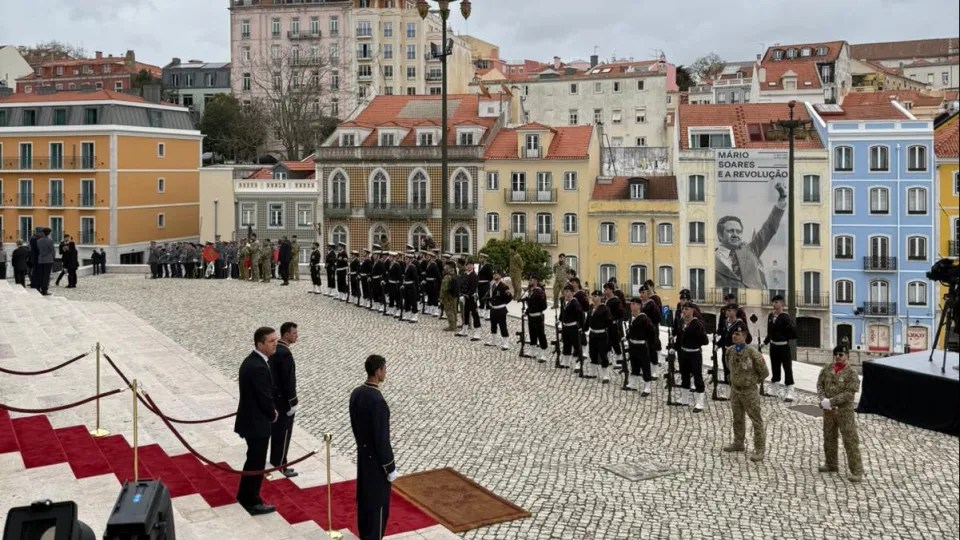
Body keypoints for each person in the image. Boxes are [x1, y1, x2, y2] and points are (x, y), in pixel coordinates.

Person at [349, 355, 398, 540]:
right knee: (378, 506)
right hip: (377, 464)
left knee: (364, 502)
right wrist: (390, 466)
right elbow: (381, 439)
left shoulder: (357, 393)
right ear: (378, 371)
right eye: (384, 369)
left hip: (363, 457)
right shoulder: (378, 401)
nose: (385, 372)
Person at [233, 327, 279, 515]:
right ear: (260, 344)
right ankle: (251, 500)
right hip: (256, 423)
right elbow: (263, 396)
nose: (275, 344)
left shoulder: (254, 362)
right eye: (271, 341)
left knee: (253, 460)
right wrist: (273, 414)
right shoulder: (258, 367)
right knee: (256, 463)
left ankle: (245, 494)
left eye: (275, 340)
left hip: (252, 420)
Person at [715, 181, 787, 289]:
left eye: (738, 232)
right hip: (727, 300)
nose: (735, 235)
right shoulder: (711, 259)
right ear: (720, 235)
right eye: (730, 231)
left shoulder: (751, 250)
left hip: (754, 299)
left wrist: (782, 198)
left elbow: (769, 227)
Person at [817, 345, 863, 482]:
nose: (838, 357)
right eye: (836, 354)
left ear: (847, 356)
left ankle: (856, 470)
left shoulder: (851, 373)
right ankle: (831, 464)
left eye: (841, 354)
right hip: (828, 411)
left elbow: (849, 394)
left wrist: (831, 401)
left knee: (850, 440)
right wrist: (823, 399)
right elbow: (820, 384)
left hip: (844, 412)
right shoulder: (827, 369)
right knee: (829, 437)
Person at [722, 327, 768, 461]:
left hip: (749, 391)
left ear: (745, 336)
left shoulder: (753, 353)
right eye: (733, 334)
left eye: (737, 334)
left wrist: (752, 381)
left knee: (756, 420)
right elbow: (729, 367)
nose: (734, 336)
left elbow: (764, 372)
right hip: (735, 390)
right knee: (737, 417)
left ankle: (759, 449)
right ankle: (738, 442)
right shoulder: (730, 351)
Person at [269, 322, 299, 478]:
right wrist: (293, 401)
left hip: (275, 398)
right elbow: (288, 380)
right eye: (294, 333)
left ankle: (277, 461)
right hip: (283, 401)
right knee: (283, 433)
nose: (296, 336)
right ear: (286, 334)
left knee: (277, 433)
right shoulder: (285, 353)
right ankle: (280, 464)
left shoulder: (276, 350)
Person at [676, 302, 709, 412]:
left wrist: (694, 340)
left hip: (694, 353)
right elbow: (679, 337)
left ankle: (700, 402)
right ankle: (684, 398)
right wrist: (676, 347)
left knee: (697, 376)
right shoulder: (681, 322)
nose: (684, 311)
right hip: (684, 353)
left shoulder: (697, 324)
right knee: (684, 375)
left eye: (686, 309)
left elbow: (705, 341)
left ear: (692, 310)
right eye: (683, 309)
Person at [764, 294, 797, 401]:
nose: (774, 304)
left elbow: (793, 333)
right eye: (773, 302)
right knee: (775, 367)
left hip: (783, 346)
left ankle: (790, 390)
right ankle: (774, 388)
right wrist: (765, 342)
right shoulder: (771, 316)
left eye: (777, 302)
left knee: (787, 368)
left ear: (782, 303)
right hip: (773, 346)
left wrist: (784, 337)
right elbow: (769, 332)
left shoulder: (785, 317)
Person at [625, 297, 656, 395]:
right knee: (634, 364)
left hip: (642, 345)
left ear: (639, 306)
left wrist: (651, 344)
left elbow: (652, 332)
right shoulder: (631, 317)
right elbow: (630, 330)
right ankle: (633, 384)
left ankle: (647, 387)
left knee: (645, 366)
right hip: (632, 345)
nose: (632, 306)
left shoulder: (644, 318)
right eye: (631, 304)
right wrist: (627, 338)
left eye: (634, 304)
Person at [587, 291, 612, 382]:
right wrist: (584, 329)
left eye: (596, 296)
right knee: (592, 352)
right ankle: (593, 372)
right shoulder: (591, 307)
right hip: (592, 333)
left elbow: (609, 321)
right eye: (592, 296)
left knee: (603, 354)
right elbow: (588, 319)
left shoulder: (605, 308)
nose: (593, 298)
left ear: (600, 297)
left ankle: (606, 375)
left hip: (601, 334)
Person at [525, 275, 549, 362]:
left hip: (538, 316)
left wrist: (536, 309)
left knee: (541, 334)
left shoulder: (540, 292)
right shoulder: (531, 291)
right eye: (529, 280)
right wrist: (527, 311)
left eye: (531, 280)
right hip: (531, 316)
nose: (529, 282)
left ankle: (544, 354)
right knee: (532, 334)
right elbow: (530, 304)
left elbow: (544, 306)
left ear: (535, 281)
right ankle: (533, 352)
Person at [558, 285, 582, 370]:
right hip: (565, 326)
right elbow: (562, 312)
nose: (566, 293)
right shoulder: (563, 301)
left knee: (576, 345)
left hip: (573, 327)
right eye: (565, 292)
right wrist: (560, 320)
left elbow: (580, 315)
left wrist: (581, 327)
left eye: (568, 292)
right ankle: (566, 362)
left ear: (572, 292)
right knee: (566, 344)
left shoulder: (575, 303)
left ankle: (578, 364)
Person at [486, 272, 513, 350]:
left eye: (496, 275)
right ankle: (493, 341)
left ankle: (506, 343)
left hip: (501, 309)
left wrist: (503, 303)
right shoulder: (493, 285)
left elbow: (509, 297)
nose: (494, 276)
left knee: (502, 326)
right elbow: (491, 296)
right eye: (494, 274)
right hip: (493, 309)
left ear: (500, 276)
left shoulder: (504, 286)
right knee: (493, 325)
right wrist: (489, 302)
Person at [459, 261, 482, 340]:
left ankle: (477, 333)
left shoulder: (475, 276)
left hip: (471, 297)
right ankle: (464, 330)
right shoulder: (464, 274)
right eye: (468, 265)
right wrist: (461, 294)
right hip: (464, 297)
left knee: (474, 314)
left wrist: (467, 295)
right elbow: (461, 285)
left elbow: (473, 287)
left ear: (473, 266)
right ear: (466, 266)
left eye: (471, 265)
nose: (469, 267)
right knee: (465, 313)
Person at [440, 261, 459, 332]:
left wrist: (441, 297)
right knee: (454, 310)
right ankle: (454, 325)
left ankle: (452, 326)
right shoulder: (454, 274)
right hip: (454, 296)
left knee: (449, 311)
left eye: (445, 267)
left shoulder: (447, 277)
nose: (444, 268)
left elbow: (444, 288)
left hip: (448, 297)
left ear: (448, 268)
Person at [36, 228, 56, 296]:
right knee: (46, 276)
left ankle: (41, 288)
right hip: (48, 259)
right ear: (49, 233)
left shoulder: (38, 241)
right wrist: (53, 257)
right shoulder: (50, 241)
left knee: (41, 275)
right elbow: (52, 250)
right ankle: (44, 290)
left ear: (43, 233)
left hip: (41, 259)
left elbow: (39, 249)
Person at [477, 252, 493, 320]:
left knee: (486, 298)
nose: (480, 259)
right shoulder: (480, 266)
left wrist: (486, 281)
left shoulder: (487, 266)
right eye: (480, 257)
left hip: (485, 284)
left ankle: (488, 314)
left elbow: (490, 276)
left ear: (485, 258)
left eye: (481, 257)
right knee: (480, 298)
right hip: (480, 284)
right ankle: (481, 312)